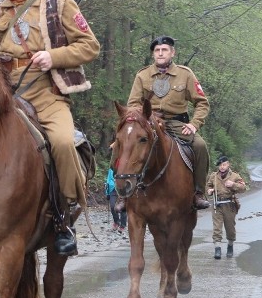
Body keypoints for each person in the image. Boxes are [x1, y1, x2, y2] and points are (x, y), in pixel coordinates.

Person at [0, 0, 100, 256]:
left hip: (46, 93)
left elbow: (90, 46)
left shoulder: (57, 1)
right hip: (4, 95)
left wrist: (54, 56)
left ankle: (64, 216)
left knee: (61, 142)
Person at [127, 35, 211, 210]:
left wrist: (194, 124)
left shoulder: (185, 74)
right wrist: (143, 117)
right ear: (153, 54)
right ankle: (123, 193)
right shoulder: (142, 75)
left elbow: (202, 103)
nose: (160, 53)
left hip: (176, 123)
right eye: (157, 51)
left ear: (172, 52)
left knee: (200, 146)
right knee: (122, 143)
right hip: (148, 122)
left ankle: (198, 193)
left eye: (164, 50)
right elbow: (133, 103)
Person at [206, 156, 246, 259]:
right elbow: (208, 185)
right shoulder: (214, 176)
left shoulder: (235, 176)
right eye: (220, 165)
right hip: (217, 205)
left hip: (229, 205)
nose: (222, 167)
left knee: (230, 228)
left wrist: (233, 184)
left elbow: (243, 188)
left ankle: (230, 246)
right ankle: (217, 249)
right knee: (217, 228)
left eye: (224, 165)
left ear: (228, 164)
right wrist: (209, 191)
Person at [105, 167, 126, 233]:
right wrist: (107, 193)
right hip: (113, 190)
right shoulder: (111, 168)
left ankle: (122, 225)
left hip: (122, 188)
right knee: (112, 206)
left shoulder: (125, 166)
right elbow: (108, 181)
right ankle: (116, 222)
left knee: (123, 207)